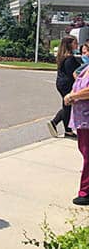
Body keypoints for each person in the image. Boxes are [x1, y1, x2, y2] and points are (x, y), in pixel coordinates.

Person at [64, 62, 89, 206]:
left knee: (88, 156)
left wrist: (73, 96)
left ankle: (85, 192)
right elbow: (76, 74)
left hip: (87, 119)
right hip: (82, 118)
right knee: (84, 152)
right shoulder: (86, 67)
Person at [48, 35, 80, 138]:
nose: (77, 45)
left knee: (67, 105)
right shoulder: (70, 58)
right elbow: (73, 73)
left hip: (61, 83)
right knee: (68, 105)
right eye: (75, 43)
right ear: (69, 44)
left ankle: (67, 129)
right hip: (67, 84)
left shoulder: (63, 56)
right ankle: (56, 123)